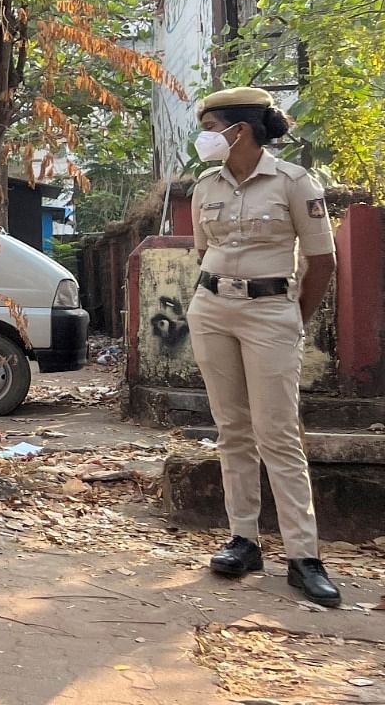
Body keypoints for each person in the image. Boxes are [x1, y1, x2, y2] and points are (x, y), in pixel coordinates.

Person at [187, 87, 340, 606]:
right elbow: (202, 253)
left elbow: (322, 262)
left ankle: (304, 556)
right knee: (231, 429)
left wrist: (290, 319)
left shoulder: (295, 183)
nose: (204, 136)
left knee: (277, 433)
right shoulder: (204, 186)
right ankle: (243, 541)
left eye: (210, 125)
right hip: (211, 310)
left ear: (240, 130)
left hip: (271, 311)